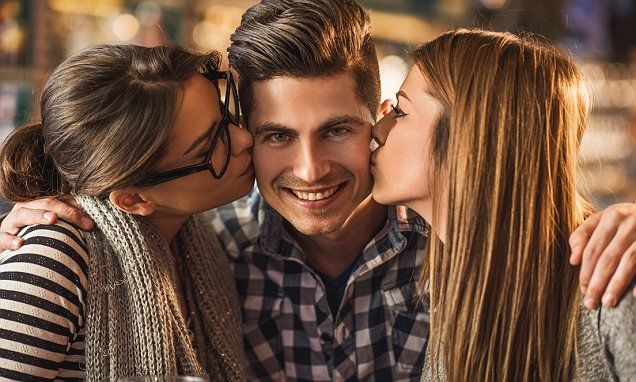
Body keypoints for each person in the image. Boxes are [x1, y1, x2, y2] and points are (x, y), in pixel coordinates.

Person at [1, 1, 636, 381]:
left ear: (379, 116)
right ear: (245, 130)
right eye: (276, 135)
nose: (309, 170)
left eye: (336, 130)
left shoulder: (469, 244)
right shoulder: (207, 252)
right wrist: (36, 224)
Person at [371, 29, 636, 381]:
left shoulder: (611, 280)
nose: (378, 130)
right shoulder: (458, 288)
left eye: (401, 111)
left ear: (467, 137)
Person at [0, 44, 252, 381]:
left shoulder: (196, 238)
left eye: (224, 112)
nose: (244, 137)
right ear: (133, 199)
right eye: (211, 145)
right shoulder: (56, 261)